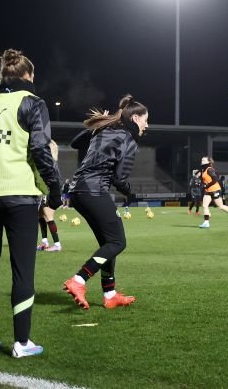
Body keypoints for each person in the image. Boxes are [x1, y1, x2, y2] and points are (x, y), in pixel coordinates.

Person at [0, 48, 61, 358]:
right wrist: (55, 189)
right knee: (22, 271)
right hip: (19, 196)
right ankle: (22, 343)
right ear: (29, 75)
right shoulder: (33, 103)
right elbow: (42, 152)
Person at [62, 95, 148, 309]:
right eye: (146, 119)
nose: (148, 124)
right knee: (118, 242)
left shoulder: (105, 131)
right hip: (94, 191)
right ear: (135, 118)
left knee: (108, 244)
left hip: (78, 191)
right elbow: (120, 179)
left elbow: (75, 143)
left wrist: (102, 123)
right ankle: (79, 279)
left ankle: (110, 294)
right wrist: (130, 194)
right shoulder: (128, 139)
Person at [37, 140, 64, 252]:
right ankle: (44, 242)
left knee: (48, 217)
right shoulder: (50, 161)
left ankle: (57, 245)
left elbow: (55, 179)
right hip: (48, 190)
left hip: (52, 191)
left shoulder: (50, 162)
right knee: (40, 216)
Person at [198, 156, 228, 228]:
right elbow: (203, 181)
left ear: (208, 162)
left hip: (215, 189)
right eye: (201, 159)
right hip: (208, 190)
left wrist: (206, 186)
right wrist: (201, 184)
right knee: (205, 205)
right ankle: (206, 222)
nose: (202, 160)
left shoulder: (209, 169)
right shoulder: (202, 170)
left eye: (204, 160)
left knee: (221, 206)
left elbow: (215, 179)